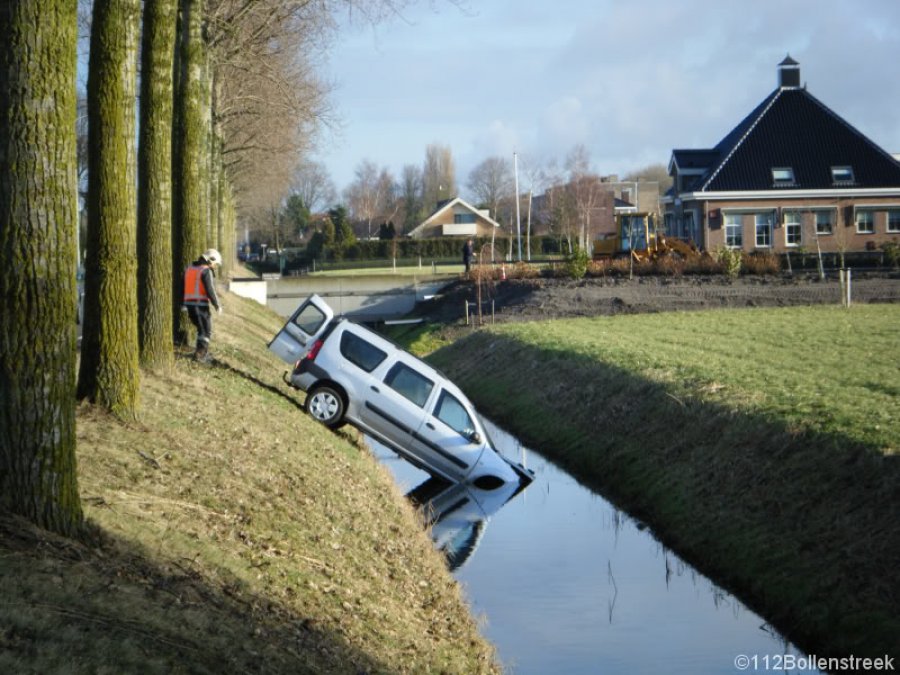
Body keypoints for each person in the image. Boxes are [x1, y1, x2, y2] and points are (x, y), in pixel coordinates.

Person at [183, 248, 223, 362]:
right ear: (211, 260)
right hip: (200, 305)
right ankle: (200, 355)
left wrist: (183, 304)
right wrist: (217, 305)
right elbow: (210, 290)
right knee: (206, 330)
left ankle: (200, 352)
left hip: (189, 305)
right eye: (215, 264)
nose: (215, 267)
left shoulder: (190, 269)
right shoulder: (206, 271)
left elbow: (182, 287)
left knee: (201, 329)